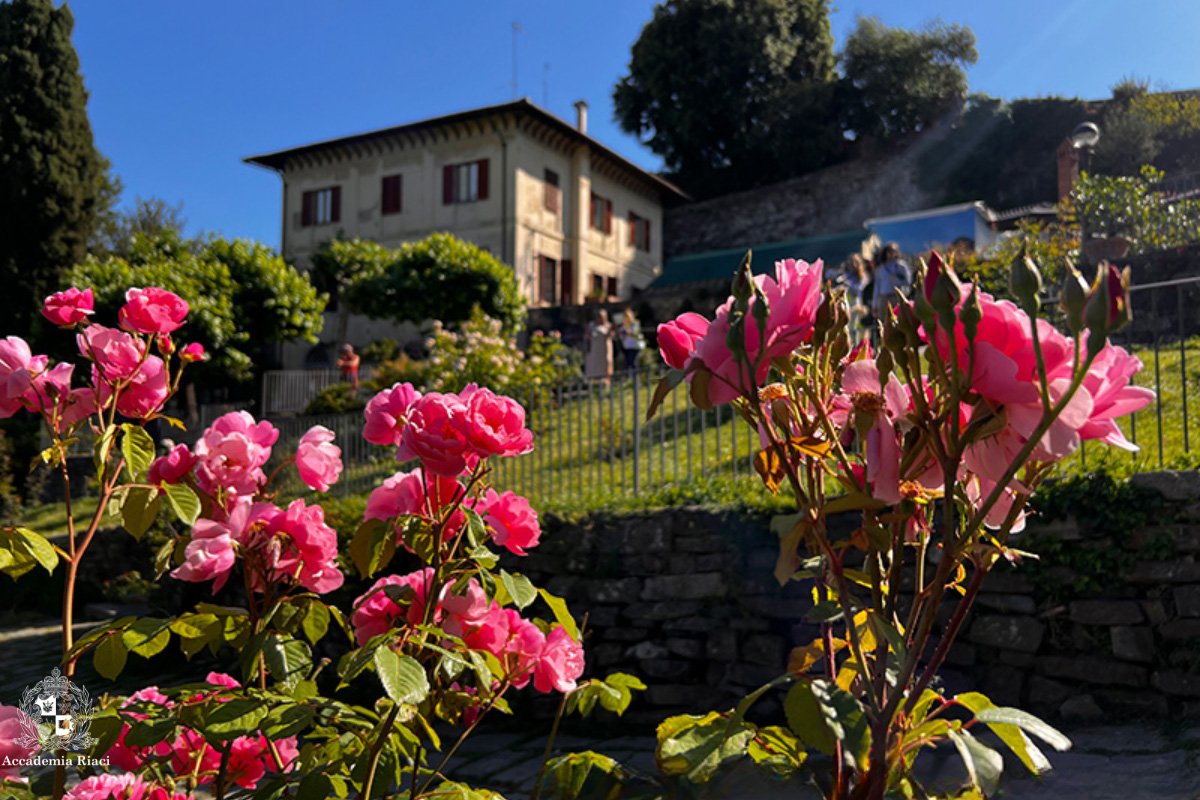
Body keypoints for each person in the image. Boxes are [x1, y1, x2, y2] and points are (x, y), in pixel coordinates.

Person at [871, 242, 912, 320]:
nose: (891, 254)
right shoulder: (880, 269)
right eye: (889, 251)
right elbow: (877, 287)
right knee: (884, 321)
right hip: (883, 298)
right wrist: (875, 305)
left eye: (893, 251)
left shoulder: (901, 266)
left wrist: (897, 280)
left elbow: (908, 282)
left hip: (896, 297)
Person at [840, 254, 870, 343]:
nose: (852, 265)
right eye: (850, 262)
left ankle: (857, 346)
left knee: (856, 328)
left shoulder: (863, 276)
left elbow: (859, 289)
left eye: (854, 262)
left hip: (857, 305)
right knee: (847, 328)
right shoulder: (846, 276)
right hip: (847, 303)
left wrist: (846, 285)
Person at [584, 310, 614, 385]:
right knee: (594, 367)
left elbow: (611, 336)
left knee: (606, 365)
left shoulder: (608, 326)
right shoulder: (592, 326)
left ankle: (606, 383)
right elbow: (587, 336)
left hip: (604, 350)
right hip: (594, 350)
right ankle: (594, 383)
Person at [617, 306, 646, 375]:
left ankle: (636, 379)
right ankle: (630, 378)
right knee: (628, 363)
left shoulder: (635, 325)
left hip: (635, 346)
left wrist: (628, 332)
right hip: (627, 347)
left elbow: (635, 334)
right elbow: (621, 337)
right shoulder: (623, 327)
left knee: (633, 362)